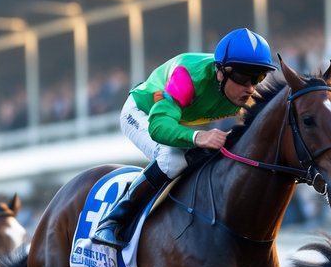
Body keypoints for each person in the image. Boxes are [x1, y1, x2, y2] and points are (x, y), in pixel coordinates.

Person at [90, 28, 275, 249]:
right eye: (243, 77)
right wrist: (198, 136)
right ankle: (113, 221)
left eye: (258, 77)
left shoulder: (249, 94)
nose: (251, 87)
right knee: (172, 159)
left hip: (180, 118)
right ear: (220, 72)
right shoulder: (188, 76)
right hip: (144, 112)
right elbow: (158, 126)